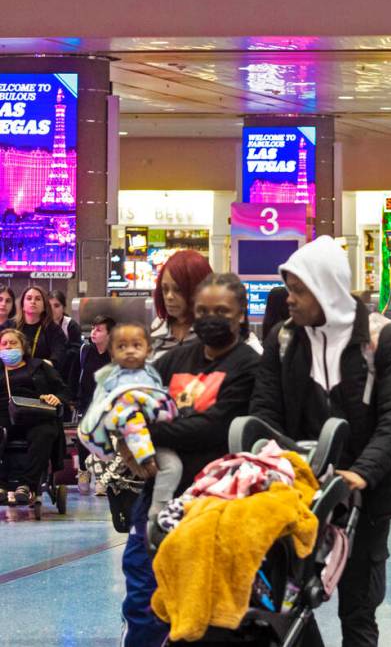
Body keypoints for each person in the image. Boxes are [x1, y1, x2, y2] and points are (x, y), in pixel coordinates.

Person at [250, 236, 391, 647]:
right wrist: (277, 465)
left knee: (358, 606)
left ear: (326, 287)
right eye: (288, 288)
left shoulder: (384, 340)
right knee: (288, 601)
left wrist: (362, 472)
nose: (289, 299)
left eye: (298, 290)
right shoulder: (283, 340)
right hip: (299, 491)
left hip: (368, 492)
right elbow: (265, 411)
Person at [120, 272, 260, 646]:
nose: (210, 318)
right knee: (144, 593)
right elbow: (135, 405)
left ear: (241, 315)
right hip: (157, 496)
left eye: (221, 311)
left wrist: (151, 431)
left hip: (211, 503)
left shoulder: (248, 366)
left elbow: (216, 427)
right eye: (203, 311)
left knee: (199, 606)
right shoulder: (176, 359)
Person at [78, 322, 181, 518]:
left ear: (148, 350)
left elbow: (163, 403)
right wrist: (144, 457)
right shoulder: (113, 382)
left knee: (173, 468)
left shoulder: (152, 375)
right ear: (112, 353)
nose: (130, 351)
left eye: (136, 345)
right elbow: (122, 422)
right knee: (170, 468)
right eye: (122, 346)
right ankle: (158, 512)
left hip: (160, 434)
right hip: (131, 442)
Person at [0, 328, 70, 505]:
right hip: (4, 417)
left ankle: (26, 485)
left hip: (35, 415)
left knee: (45, 432)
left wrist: (55, 398)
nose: (8, 347)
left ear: (23, 347)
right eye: (4, 344)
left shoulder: (40, 366)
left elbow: (63, 391)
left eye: (13, 343)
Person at [70, 314, 116, 495]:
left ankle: (103, 477)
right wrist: (72, 400)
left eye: (99, 329)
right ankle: (83, 470)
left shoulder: (116, 355)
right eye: (93, 328)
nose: (94, 332)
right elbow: (75, 376)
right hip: (86, 400)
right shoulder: (84, 351)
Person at [149, 249, 213, 361]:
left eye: (178, 290)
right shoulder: (156, 329)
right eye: (165, 289)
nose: (169, 296)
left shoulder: (217, 331)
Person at [15, 286, 67, 373]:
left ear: (44, 306)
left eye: (38, 299)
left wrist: (41, 365)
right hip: (12, 376)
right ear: (22, 305)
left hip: (41, 376)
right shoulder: (10, 326)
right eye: (29, 298)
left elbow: (58, 357)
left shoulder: (54, 330)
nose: (33, 301)